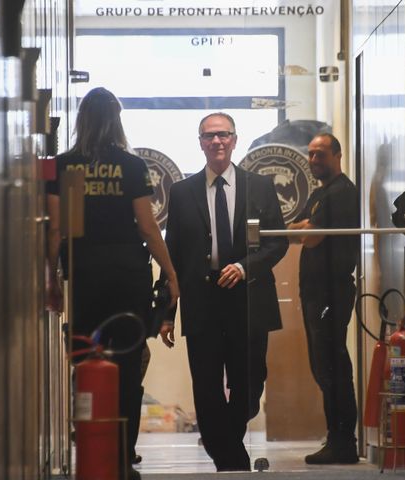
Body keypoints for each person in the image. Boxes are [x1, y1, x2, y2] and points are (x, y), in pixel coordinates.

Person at [45, 87, 179, 480]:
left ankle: (91, 450)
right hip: (127, 275)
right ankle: (123, 457)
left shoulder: (64, 165)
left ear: (81, 119)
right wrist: (170, 274)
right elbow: (148, 227)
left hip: (84, 276)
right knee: (126, 366)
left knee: (86, 361)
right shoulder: (131, 165)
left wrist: (49, 278)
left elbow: (57, 231)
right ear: (116, 120)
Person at [159, 112, 287, 471]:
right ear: (200, 142)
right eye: (209, 136)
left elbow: (278, 244)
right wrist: (168, 313)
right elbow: (174, 256)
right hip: (203, 301)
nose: (217, 142)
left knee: (249, 386)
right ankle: (232, 464)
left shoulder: (259, 187)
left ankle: (226, 448)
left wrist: (246, 267)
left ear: (234, 139)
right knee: (207, 389)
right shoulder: (182, 192)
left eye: (224, 135)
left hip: (249, 300)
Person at [288, 133, 360, 464]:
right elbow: (296, 227)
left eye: (321, 155)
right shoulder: (321, 194)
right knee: (323, 366)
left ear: (338, 155)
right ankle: (338, 437)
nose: (315, 160)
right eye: (311, 154)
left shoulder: (342, 192)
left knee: (332, 366)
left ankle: (343, 441)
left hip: (332, 292)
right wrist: (304, 227)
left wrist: (304, 228)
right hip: (316, 293)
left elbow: (308, 236)